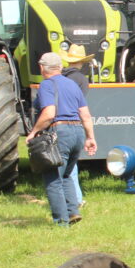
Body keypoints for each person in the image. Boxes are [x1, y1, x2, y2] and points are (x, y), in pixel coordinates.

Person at [27, 51, 97, 225]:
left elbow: (49, 114)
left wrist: (33, 132)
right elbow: (86, 115)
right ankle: (73, 212)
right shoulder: (73, 84)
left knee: (53, 179)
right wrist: (90, 138)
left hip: (60, 131)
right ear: (60, 67)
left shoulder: (46, 85)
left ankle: (61, 222)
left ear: (42, 68)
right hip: (78, 132)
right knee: (65, 175)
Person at [58, 44, 95, 208]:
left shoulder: (59, 77)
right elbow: (81, 106)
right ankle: (75, 199)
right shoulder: (81, 79)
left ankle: (69, 198)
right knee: (71, 166)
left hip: (56, 122)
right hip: (74, 122)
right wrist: (90, 135)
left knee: (62, 163)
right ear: (82, 62)